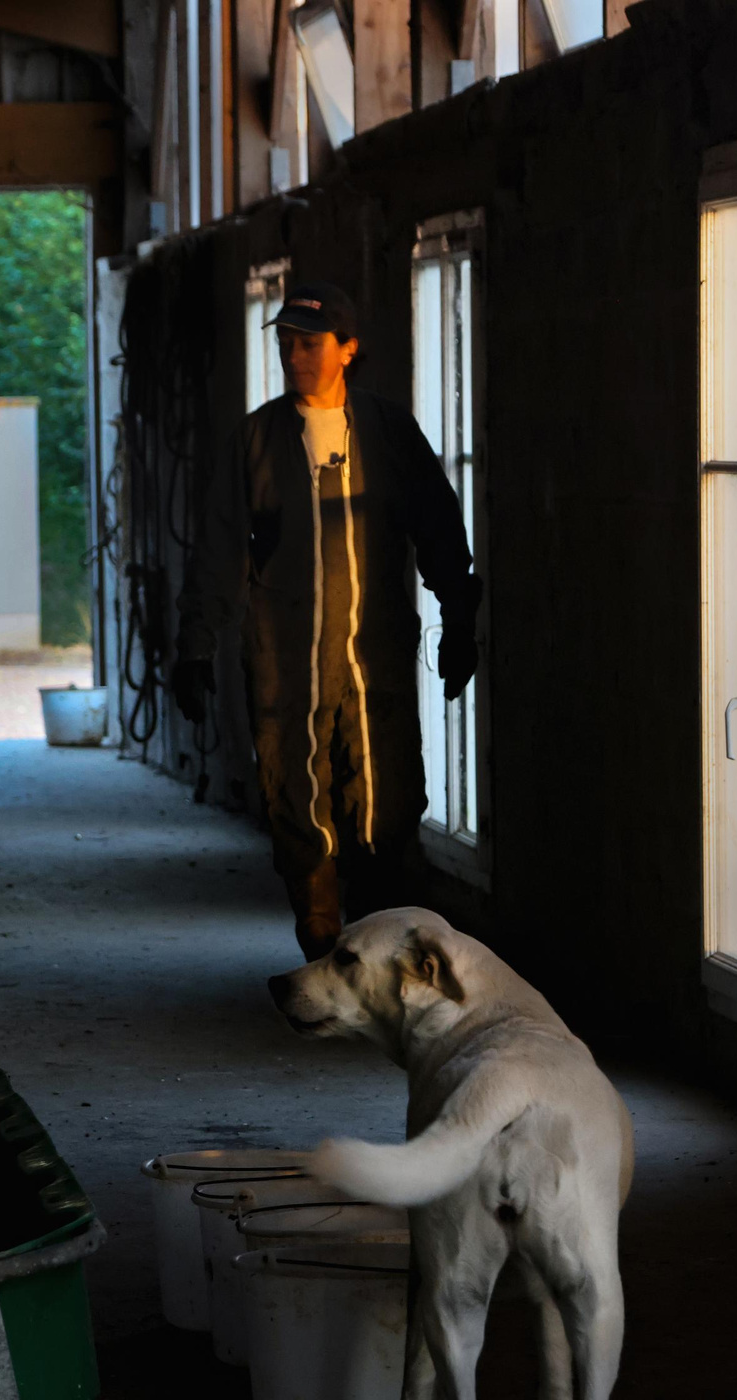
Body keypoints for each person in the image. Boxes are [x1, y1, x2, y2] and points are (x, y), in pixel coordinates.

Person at [176, 282, 480, 957]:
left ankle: (370, 958)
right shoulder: (257, 440)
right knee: (297, 805)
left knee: (385, 807)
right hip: (286, 664)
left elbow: (438, 527)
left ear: (347, 349)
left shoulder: (389, 433)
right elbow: (219, 551)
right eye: (286, 344)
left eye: (309, 344)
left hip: (375, 662)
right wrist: (194, 646)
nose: (295, 356)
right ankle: (321, 951)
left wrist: (459, 617)